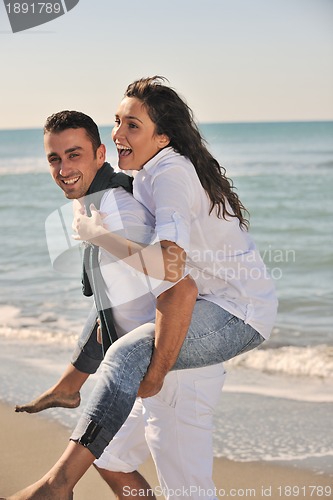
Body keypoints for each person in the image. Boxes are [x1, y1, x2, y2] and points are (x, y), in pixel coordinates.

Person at [7, 77, 278, 500]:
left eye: (132, 125)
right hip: (195, 317)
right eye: (117, 122)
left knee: (187, 489)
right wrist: (74, 379)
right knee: (111, 457)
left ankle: (58, 485)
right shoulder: (141, 180)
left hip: (235, 311)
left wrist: (153, 372)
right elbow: (113, 305)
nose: (118, 134)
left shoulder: (166, 177)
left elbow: (176, 277)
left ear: (163, 136)